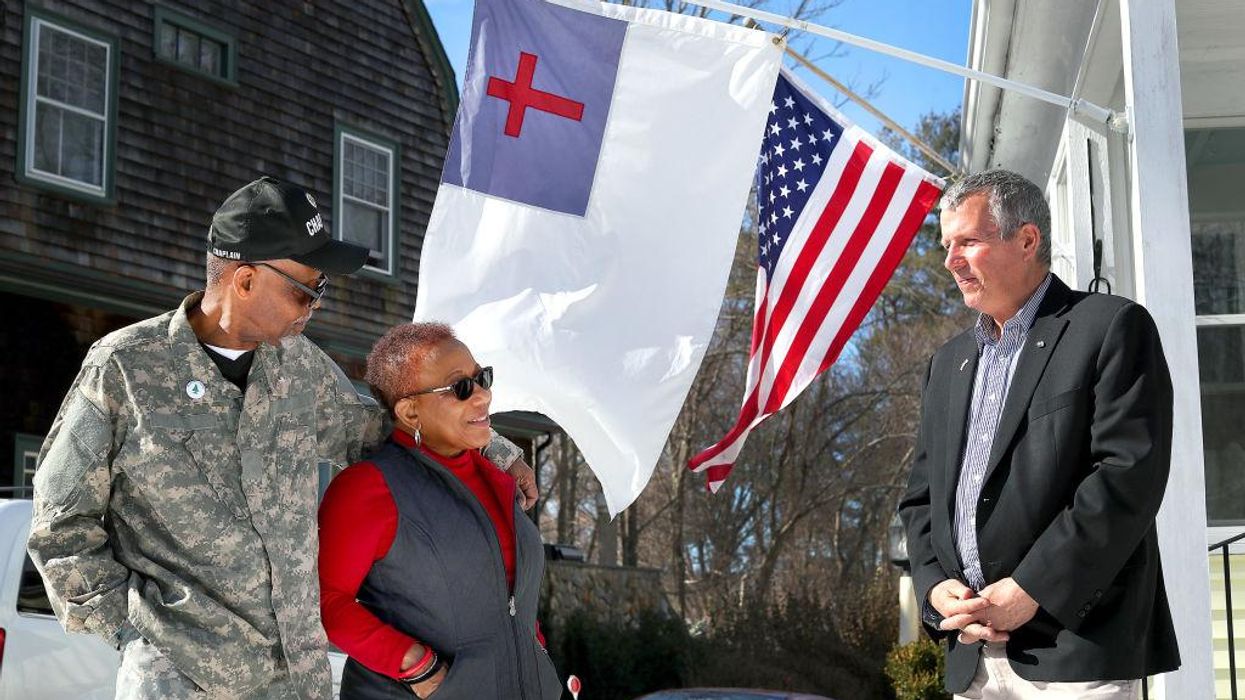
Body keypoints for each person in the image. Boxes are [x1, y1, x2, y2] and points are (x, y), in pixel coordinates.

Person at [26, 176, 537, 700]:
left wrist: (494, 450)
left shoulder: (297, 368)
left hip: (298, 682)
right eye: (305, 289)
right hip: (183, 685)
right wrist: (140, 635)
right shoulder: (125, 369)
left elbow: (379, 428)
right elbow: (60, 527)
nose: (315, 304)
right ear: (244, 280)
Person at [896, 169, 1180, 698]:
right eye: (946, 245)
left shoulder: (1109, 326)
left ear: (1027, 240)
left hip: (1074, 649)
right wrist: (937, 589)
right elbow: (920, 501)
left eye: (968, 242)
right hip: (972, 656)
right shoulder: (947, 362)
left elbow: (1126, 478)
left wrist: (1032, 589)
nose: (950, 259)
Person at [318, 322, 561, 700]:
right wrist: (417, 666)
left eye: (482, 378)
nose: (482, 396)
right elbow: (327, 603)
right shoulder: (368, 488)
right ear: (411, 412)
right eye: (461, 388)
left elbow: (514, 601)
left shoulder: (499, 481)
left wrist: (536, 655)